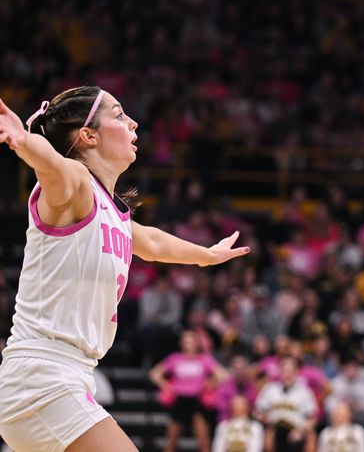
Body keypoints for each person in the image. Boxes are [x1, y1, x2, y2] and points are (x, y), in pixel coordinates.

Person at [0, 87, 250, 452]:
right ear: (88, 136)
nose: (133, 122)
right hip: (43, 377)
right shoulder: (74, 186)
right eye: (118, 115)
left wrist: (205, 256)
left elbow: (152, 242)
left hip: (65, 376)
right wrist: (23, 141)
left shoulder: (111, 212)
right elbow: (51, 165)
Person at [150, 330, 229, 452]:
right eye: (186, 342)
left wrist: (210, 384)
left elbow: (223, 375)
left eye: (191, 341)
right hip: (179, 399)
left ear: (196, 343)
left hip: (197, 400)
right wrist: (166, 386)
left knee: (203, 440)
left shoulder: (204, 359)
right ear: (182, 344)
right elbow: (155, 374)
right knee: (171, 441)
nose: (188, 344)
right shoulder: (175, 358)